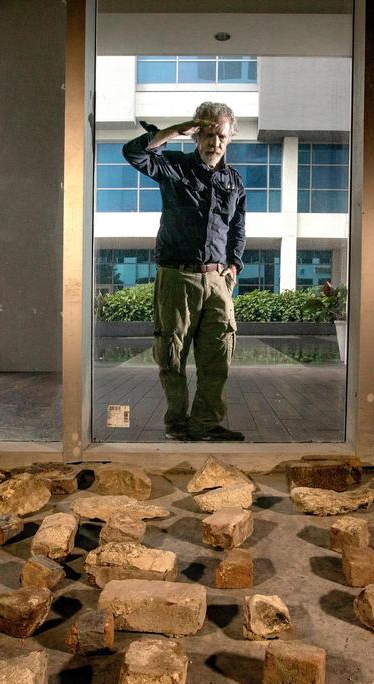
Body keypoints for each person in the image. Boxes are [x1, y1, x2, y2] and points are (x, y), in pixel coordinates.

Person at [122, 102, 246, 441]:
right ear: (197, 136)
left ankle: (206, 423)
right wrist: (178, 129)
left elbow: (237, 228)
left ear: (229, 138)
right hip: (177, 276)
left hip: (218, 280)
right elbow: (134, 152)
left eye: (221, 135)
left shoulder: (233, 181)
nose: (214, 142)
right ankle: (177, 424)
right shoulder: (175, 167)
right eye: (207, 134)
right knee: (172, 354)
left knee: (218, 355)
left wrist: (233, 266)